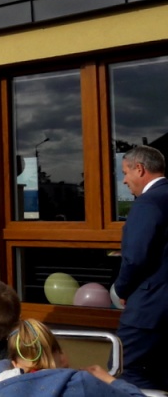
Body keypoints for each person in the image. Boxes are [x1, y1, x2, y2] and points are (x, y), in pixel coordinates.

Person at [113, 145, 168, 391]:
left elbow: (135, 258)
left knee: (123, 371)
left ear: (140, 169)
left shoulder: (148, 203)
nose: (124, 180)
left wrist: (121, 289)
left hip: (148, 311)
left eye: (125, 172)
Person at [0, 319, 144, 396]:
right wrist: (109, 379)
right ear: (61, 355)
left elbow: (0, 365)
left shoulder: (2, 384)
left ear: (14, 363)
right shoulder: (81, 383)